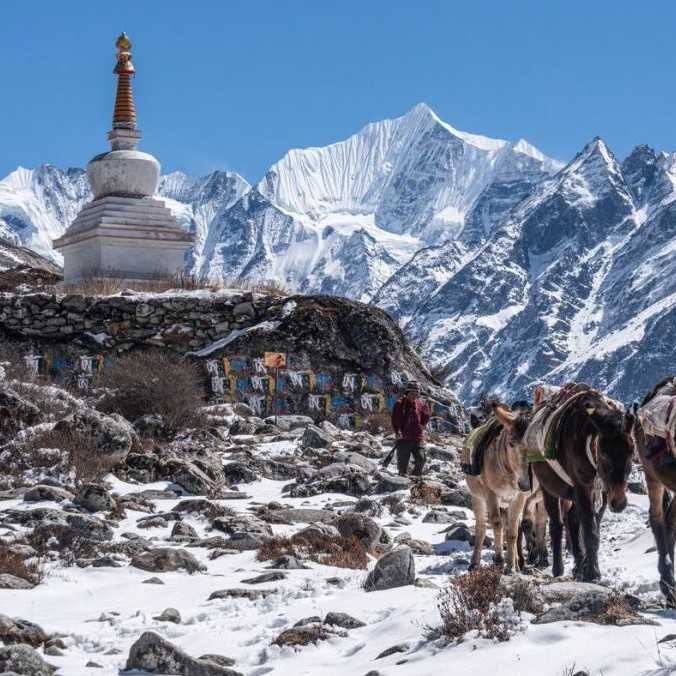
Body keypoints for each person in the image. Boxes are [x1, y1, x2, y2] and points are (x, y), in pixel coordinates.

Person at [391, 381, 430, 476]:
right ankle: (402, 482)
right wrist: (397, 432)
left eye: (416, 393)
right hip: (404, 438)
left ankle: (414, 477)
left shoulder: (421, 404)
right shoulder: (399, 404)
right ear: (407, 393)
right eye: (412, 393)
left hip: (418, 438)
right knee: (402, 466)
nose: (414, 395)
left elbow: (424, 420)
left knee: (421, 459)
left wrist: (426, 414)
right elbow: (395, 420)